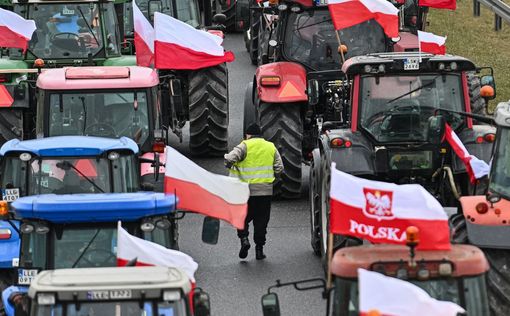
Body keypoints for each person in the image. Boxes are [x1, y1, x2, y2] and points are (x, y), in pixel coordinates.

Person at [224, 123, 284, 260]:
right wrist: (271, 180)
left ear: (248, 135)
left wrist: (229, 165)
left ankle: (244, 239)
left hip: (246, 192)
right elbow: (280, 168)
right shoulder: (270, 147)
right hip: (265, 192)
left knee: (242, 217)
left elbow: (229, 158)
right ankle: (259, 250)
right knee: (261, 221)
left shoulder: (245, 145)